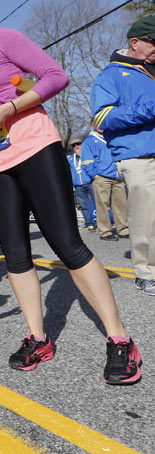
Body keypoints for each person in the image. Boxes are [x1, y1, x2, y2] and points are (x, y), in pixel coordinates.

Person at [0, 5, 141, 385]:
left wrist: (9, 107)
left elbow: (57, 76)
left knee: (67, 245)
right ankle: (38, 338)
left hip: (36, 148)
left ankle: (120, 339)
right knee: (15, 255)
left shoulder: (2, 40)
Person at [91, 15, 155, 296]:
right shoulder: (110, 75)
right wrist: (148, 109)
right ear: (135, 43)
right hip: (138, 156)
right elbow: (102, 116)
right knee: (147, 217)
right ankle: (147, 273)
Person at [81, 127, 128, 241]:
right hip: (102, 177)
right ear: (93, 125)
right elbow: (87, 160)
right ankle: (105, 232)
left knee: (121, 205)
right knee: (103, 206)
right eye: (98, 124)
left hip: (117, 176)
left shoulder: (112, 136)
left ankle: (123, 230)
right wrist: (95, 175)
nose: (101, 127)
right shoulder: (89, 141)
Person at [66, 137, 96, 232]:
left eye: (78, 144)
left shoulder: (88, 155)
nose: (76, 146)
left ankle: (102, 222)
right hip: (78, 185)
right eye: (74, 145)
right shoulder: (70, 158)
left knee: (98, 203)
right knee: (84, 205)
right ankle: (89, 223)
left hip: (90, 182)